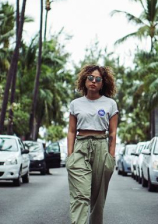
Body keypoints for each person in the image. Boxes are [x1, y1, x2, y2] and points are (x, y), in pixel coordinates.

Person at [66, 64, 119, 224]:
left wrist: (110, 157)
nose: (93, 81)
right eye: (90, 78)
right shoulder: (76, 104)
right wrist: (70, 156)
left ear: (103, 83)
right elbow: (71, 131)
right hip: (80, 147)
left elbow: (112, 133)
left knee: (98, 199)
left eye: (98, 79)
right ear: (84, 80)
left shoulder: (110, 104)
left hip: (101, 147)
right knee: (80, 195)